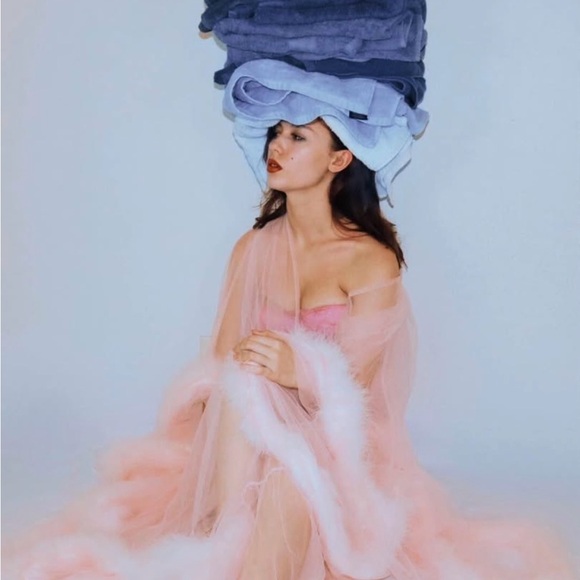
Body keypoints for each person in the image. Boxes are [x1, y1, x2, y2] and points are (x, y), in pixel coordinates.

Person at [5, 119, 574, 579]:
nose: (277, 146)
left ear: (339, 159)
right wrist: (246, 392)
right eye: (276, 133)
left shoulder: (370, 260)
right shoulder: (252, 247)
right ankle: (230, 528)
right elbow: (222, 364)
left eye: (298, 137)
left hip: (335, 444)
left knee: (290, 485)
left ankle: (246, 546)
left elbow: (358, 397)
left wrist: (300, 369)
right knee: (244, 383)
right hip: (244, 440)